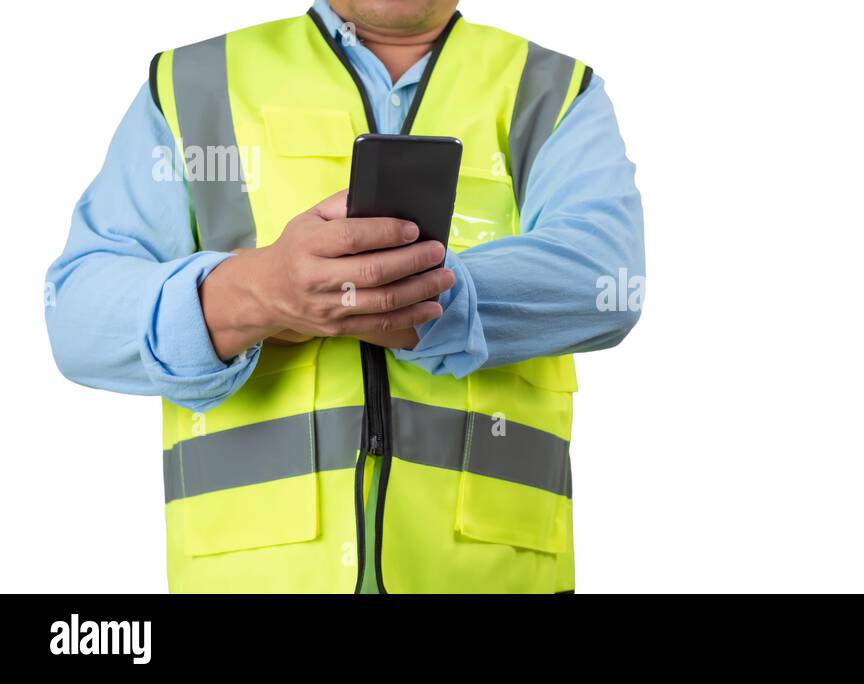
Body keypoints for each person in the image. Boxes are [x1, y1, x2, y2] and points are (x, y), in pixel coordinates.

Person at [43, 0, 644, 593]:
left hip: (497, 580)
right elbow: (76, 317)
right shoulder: (193, 83)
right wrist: (262, 293)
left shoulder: (556, 90)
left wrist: (419, 304)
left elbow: (606, 281)